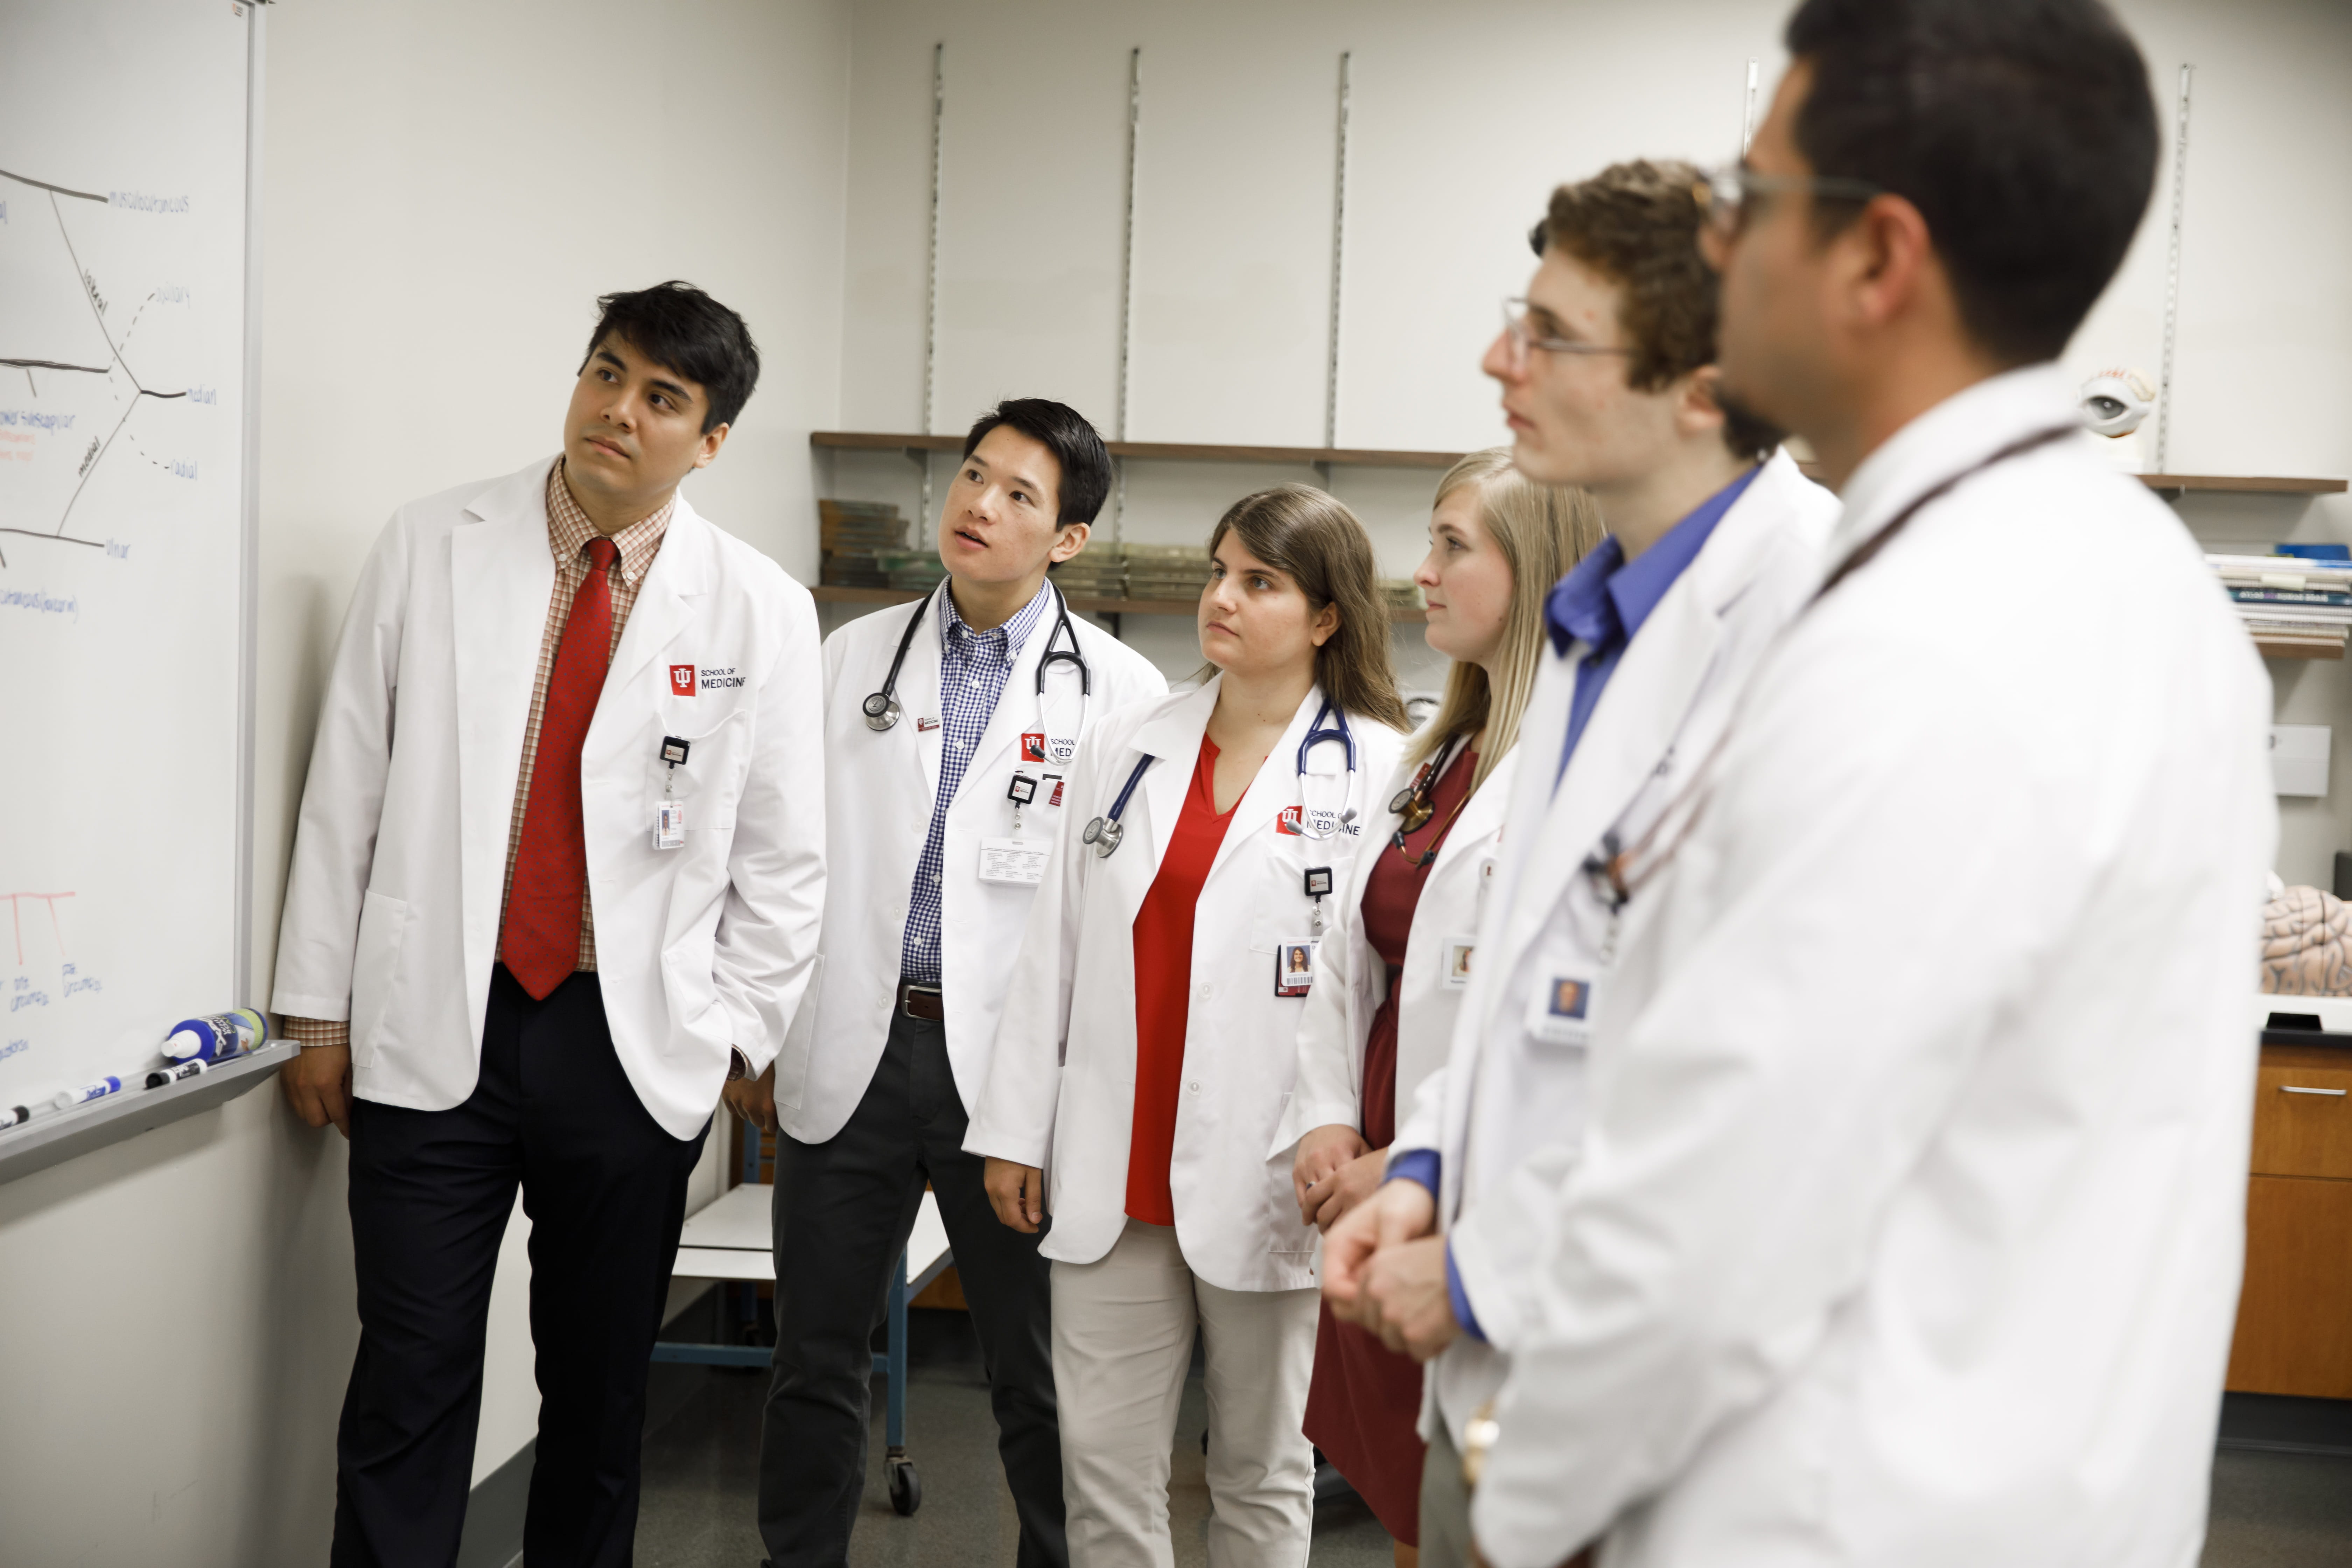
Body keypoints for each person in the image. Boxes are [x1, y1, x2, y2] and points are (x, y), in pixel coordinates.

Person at [1416, 3, 2273, 1565]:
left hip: (1832, 1510)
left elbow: (1723, 1208)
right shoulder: (2097, 569)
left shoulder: (1935, 637)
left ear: (1878, 259)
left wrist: (1518, 1498)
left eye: (1754, 197)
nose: (1717, 240)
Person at [1317, 160, 1839, 1568]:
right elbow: (1528, 976)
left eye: (1551, 334)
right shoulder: (1601, 612)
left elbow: (1761, 1065)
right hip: (1506, 1364)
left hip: (1670, 1401)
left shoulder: (1816, 621)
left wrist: (1488, 1268)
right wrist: (1429, 1165)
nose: (1503, 361)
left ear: (1702, 387)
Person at [272, 281, 825, 1567]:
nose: (618, 411)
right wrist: (316, 1012)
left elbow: (785, 855)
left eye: (662, 398)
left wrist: (732, 1033)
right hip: (436, 1023)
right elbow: (347, 782)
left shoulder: (758, 607)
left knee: (597, 1392)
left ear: (711, 441)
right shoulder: (432, 542)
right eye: (606, 373)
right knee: (407, 1377)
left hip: (628, 1047)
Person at [745, 399, 1165, 1568]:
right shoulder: (851, 656)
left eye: (1020, 495)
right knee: (814, 1359)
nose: (980, 504)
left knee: (1037, 1375)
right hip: (855, 1046)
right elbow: (780, 854)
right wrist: (759, 1029)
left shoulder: (1123, 693)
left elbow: (1119, 918)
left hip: (1018, 1081)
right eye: (975, 475)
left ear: (1068, 539)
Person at [969, 485, 1409, 1568]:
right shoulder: (1129, 741)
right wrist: (1016, 1127)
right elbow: (1055, 944)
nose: (1223, 597)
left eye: (1260, 582)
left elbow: (1379, 996)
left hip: (1275, 1169)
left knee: (1262, 1471)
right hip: (1114, 1162)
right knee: (1103, 1471)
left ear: (1326, 616)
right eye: (1219, 572)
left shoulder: (1382, 769)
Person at [1275, 449, 1601, 1567]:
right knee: (1405, 1497)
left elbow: (1551, 1026)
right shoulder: (1440, 752)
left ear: (1539, 567)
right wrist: (1329, 1117)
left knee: (1458, 1501)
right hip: (1375, 1155)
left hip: (1467, 1181)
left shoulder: (1577, 769)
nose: (1420, 571)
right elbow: (1348, 954)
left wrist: (1415, 1159)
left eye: (1453, 546)